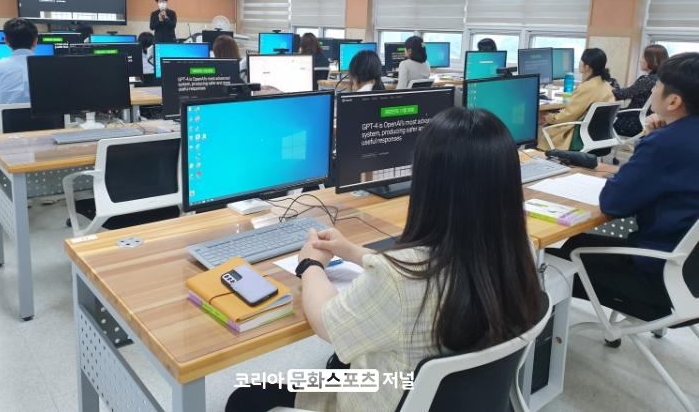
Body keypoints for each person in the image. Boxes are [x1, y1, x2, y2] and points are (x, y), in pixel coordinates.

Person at [225, 108, 543, 412]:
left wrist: (310, 265)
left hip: (388, 392)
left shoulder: (395, 280)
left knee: (248, 394)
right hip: (450, 397)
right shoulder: (519, 250)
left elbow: (325, 323)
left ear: (428, 183)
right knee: (339, 363)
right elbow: (426, 267)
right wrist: (352, 251)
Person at [549, 52, 699, 320]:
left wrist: (651, 140)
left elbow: (613, 203)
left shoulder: (665, 144)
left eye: (657, 86)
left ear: (673, 101)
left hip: (658, 276)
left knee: (558, 256)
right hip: (691, 275)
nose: (652, 90)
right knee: (580, 241)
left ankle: (545, 337)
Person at [539, 48, 615, 150]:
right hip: (597, 135)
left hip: (577, 136)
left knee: (543, 128)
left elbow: (568, 115)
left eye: (581, 60)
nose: (579, 63)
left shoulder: (587, 87)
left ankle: (534, 155)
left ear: (587, 66)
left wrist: (549, 117)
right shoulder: (606, 85)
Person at [612, 44, 668, 137]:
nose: (640, 60)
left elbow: (621, 95)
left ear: (653, 60)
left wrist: (612, 83)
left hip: (635, 123)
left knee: (600, 119)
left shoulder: (647, 80)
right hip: (650, 122)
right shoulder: (663, 79)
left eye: (643, 58)